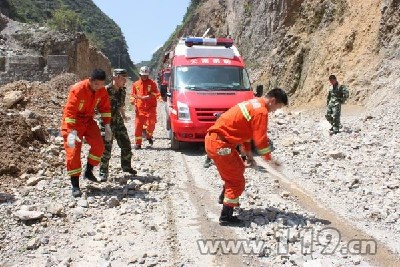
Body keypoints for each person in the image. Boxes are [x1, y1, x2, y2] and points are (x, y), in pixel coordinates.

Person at [205, 88, 288, 226]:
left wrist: (249, 155)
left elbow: (246, 134)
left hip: (215, 141)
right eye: (277, 107)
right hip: (221, 145)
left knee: (237, 169)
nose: (275, 111)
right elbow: (261, 141)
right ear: (272, 101)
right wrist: (270, 159)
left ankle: (224, 198)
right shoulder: (261, 111)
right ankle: (226, 217)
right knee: (237, 182)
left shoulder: (253, 103)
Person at [61, 69, 112, 197]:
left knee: (99, 146)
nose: (98, 87)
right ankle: (75, 185)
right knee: (73, 152)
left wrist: (107, 125)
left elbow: (105, 108)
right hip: (72, 123)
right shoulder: (78, 89)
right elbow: (70, 111)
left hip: (88, 121)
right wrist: (71, 131)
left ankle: (88, 171)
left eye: (101, 84)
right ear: (90, 80)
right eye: (96, 85)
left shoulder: (101, 90)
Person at [98, 69, 137, 182]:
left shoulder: (122, 91)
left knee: (126, 144)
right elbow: (97, 106)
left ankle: (126, 167)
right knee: (106, 148)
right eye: (123, 78)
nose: (125, 81)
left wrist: (124, 116)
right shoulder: (104, 90)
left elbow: (120, 106)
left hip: (118, 121)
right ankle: (103, 172)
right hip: (106, 122)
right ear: (116, 77)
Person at [130, 66, 162, 149]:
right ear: (140, 74)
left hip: (151, 108)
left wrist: (149, 96)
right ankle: (138, 144)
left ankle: (148, 136)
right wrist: (133, 100)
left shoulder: (152, 83)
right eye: (143, 75)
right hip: (140, 108)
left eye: (146, 75)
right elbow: (133, 95)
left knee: (151, 124)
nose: (144, 76)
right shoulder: (135, 84)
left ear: (148, 75)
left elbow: (156, 93)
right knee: (138, 126)